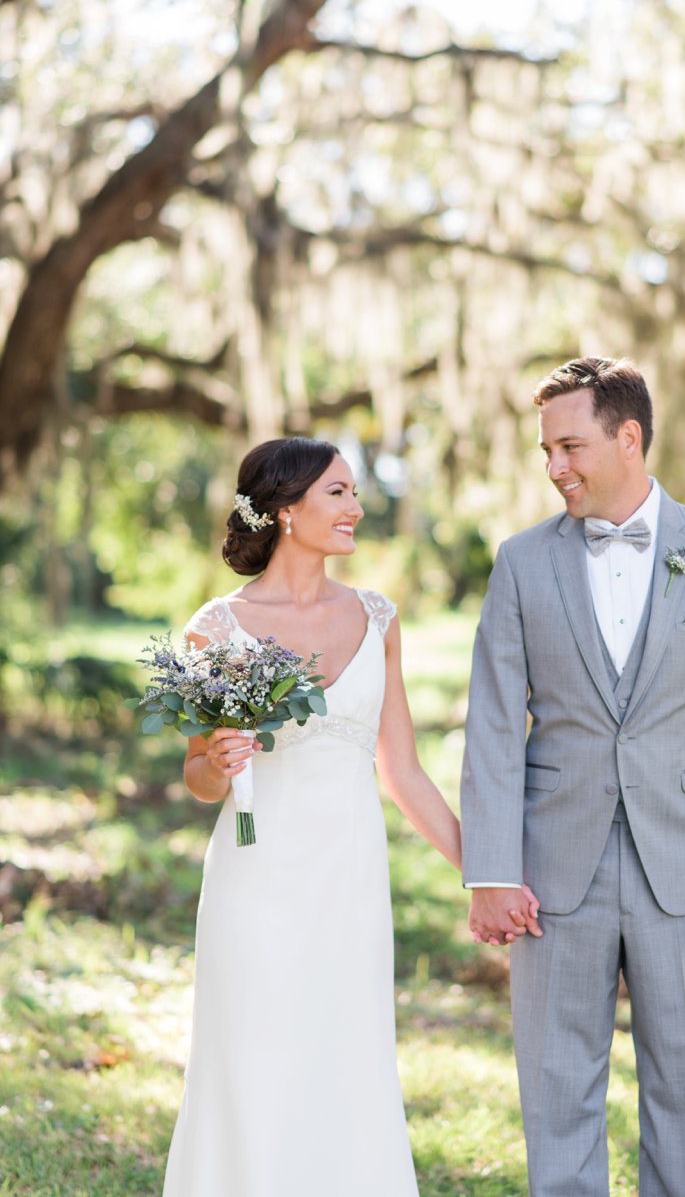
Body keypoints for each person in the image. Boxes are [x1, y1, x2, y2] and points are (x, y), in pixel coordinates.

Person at [461, 357, 685, 1197]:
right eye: (546, 451)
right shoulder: (521, 561)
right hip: (550, 870)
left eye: (570, 446)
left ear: (628, 436)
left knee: (684, 1087)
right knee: (557, 1090)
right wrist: (492, 872)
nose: (555, 466)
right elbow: (493, 725)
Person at [162, 435, 462, 1197]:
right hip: (255, 878)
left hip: (349, 880)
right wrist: (218, 761)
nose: (356, 508)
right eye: (339, 493)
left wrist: (484, 869)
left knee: (345, 1056)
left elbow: (403, 771)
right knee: (254, 1057)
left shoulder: (377, 618)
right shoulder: (217, 627)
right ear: (287, 510)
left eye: (355, 492)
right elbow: (198, 778)